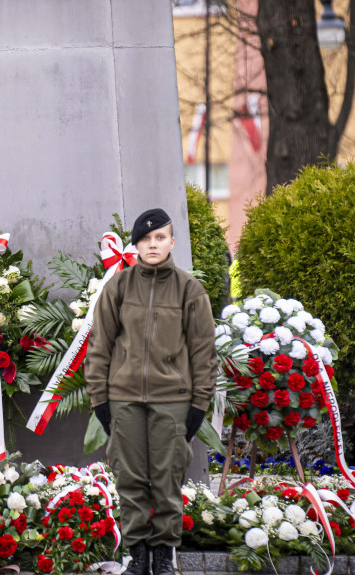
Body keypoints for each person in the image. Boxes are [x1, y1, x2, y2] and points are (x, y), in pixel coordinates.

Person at [85, 208, 217, 575]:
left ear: (172, 242)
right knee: (129, 478)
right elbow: (100, 346)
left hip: (173, 402)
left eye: (160, 237)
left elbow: (204, 352)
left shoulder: (190, 290)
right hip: (124, 399)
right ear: (136, 245)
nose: (153, 244)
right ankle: (137, 555)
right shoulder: (119, 287)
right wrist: (100, 399)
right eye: (146, 239)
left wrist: (199, 404)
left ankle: (163, 555)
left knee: (167, 479)